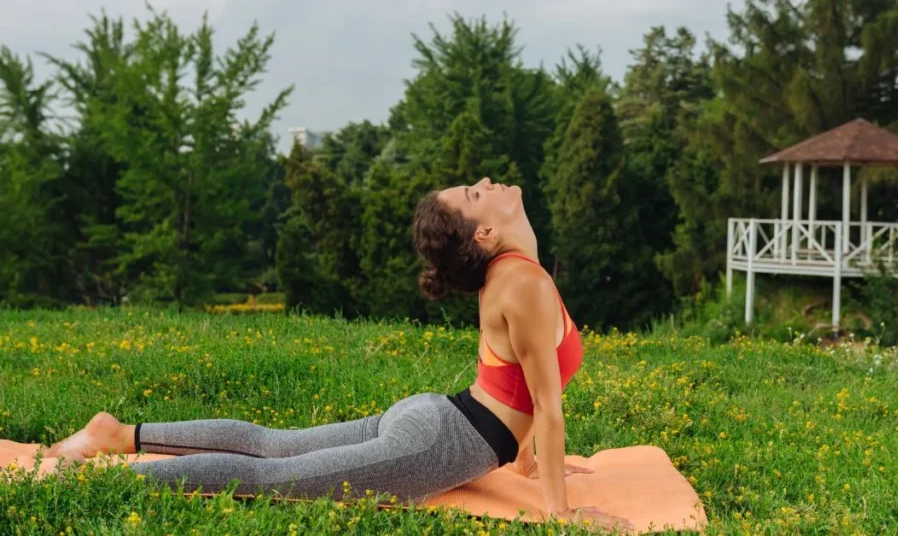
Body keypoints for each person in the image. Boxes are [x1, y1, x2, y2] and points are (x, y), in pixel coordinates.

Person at [35, 177, 632, 532]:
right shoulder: (521, 282)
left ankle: (119, 435)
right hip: (438, 438)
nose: (492, 184)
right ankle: (119, 482)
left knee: (272, 445)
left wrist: (526, 463)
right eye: (478, 192)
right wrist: (559, 513)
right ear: (484, 234)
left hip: (438, 418)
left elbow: (519, 388)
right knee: (272, 476)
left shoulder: (515, 275)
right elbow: (545, 409)